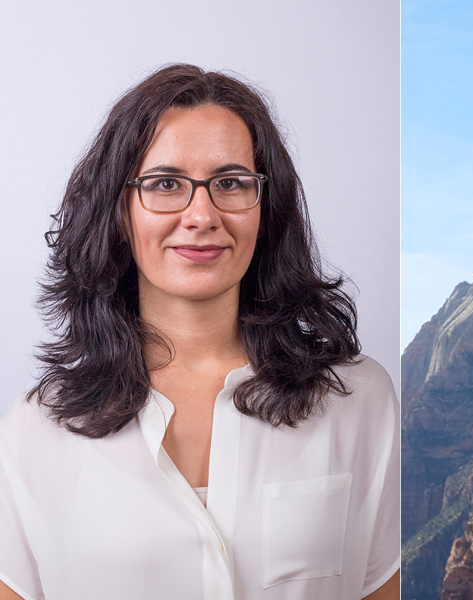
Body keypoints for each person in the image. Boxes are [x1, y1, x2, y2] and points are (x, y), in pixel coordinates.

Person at [0, 64, 399, 600]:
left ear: (267, 206)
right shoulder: (34, 432)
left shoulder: (358, 400)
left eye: (231, 183)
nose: (201, 214)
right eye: (166, 184)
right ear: (120, 210)